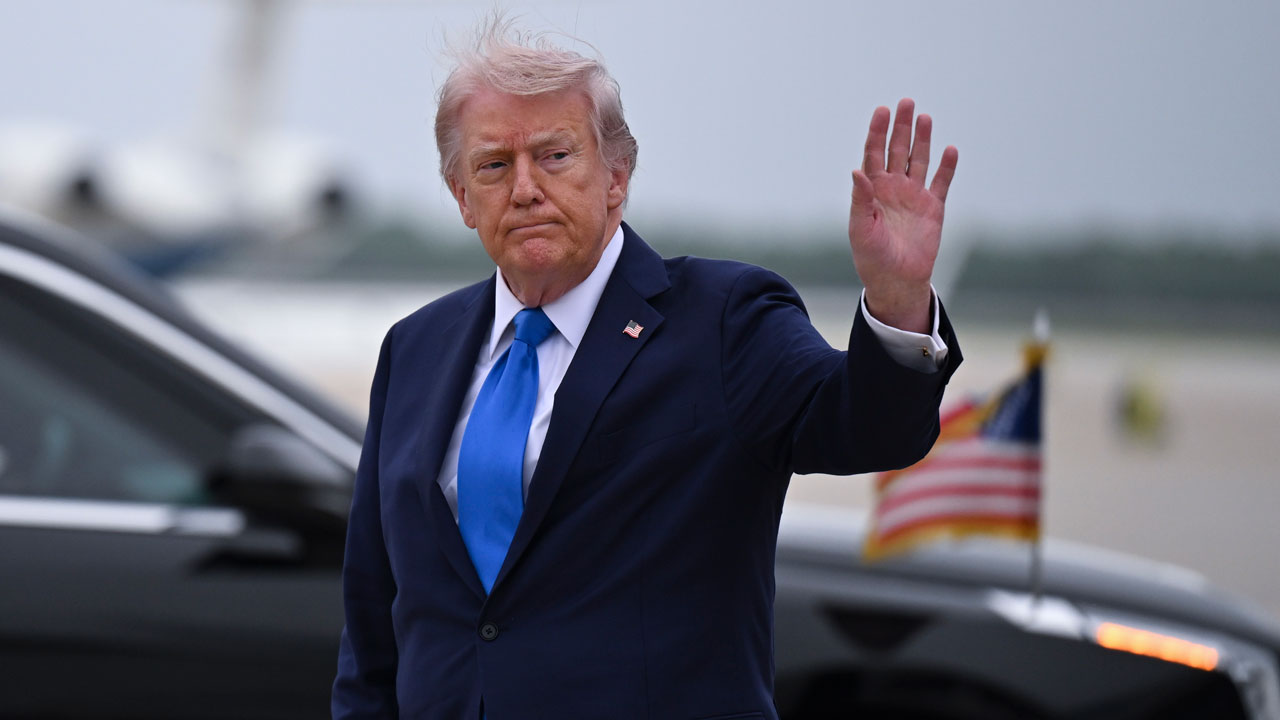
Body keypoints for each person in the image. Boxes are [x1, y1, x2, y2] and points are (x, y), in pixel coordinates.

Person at [333, 19, 961, 720]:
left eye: (555, 155)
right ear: (460, 195)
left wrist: (898, 298)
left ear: (616, 178)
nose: (525, 188)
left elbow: (868, 431)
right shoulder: (416, 348)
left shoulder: (725, 321)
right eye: (493, 166)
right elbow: (373, 618)